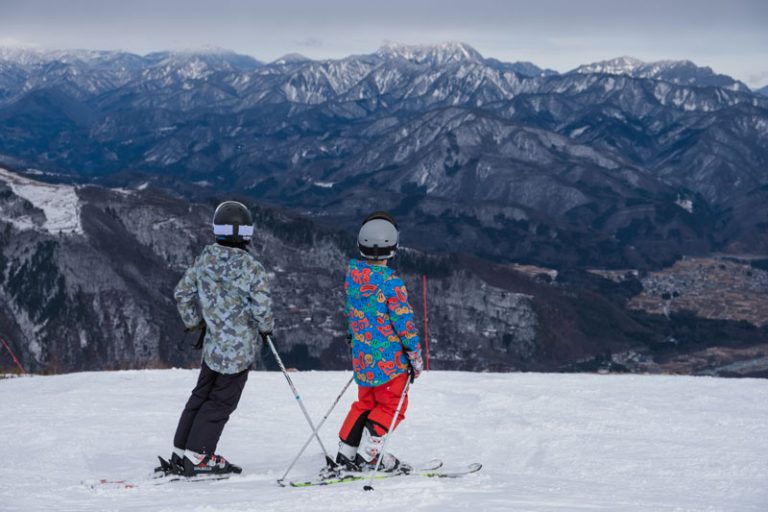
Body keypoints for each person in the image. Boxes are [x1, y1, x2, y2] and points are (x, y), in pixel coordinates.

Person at [166, 200, 274, 477]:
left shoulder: (205, 259)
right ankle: (199, 456)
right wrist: (266, 328)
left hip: (213, 348)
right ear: (247, 233)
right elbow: (261, 307)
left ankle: (181, 451)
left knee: (201, 395)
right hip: (238, 352)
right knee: (221, 402)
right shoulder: (252, 268)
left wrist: (195, 323)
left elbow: (182, 293)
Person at [334, 211, 424, 473]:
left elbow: (355, 316)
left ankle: (346, 452)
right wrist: (415, 355)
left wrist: (355, 341)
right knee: (392, 404)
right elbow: (404, 324)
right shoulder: (391, 284)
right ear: (393, 248)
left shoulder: (353, 278)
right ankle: (370, 455)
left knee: (365, 403)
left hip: (363, 359)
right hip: (391, 361)